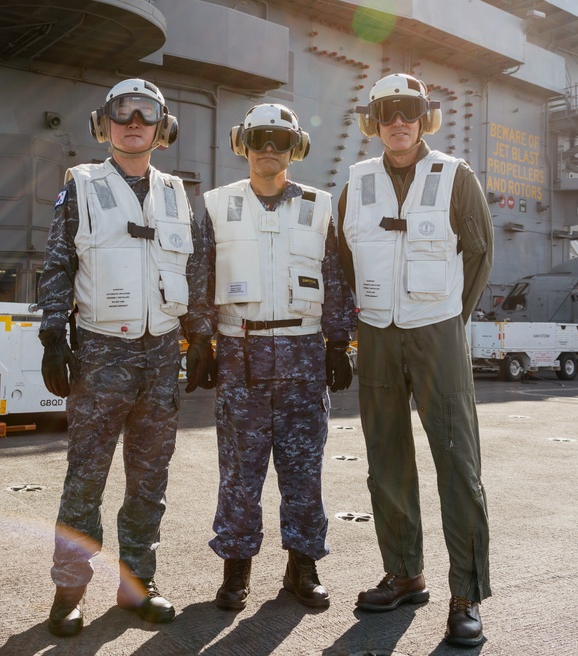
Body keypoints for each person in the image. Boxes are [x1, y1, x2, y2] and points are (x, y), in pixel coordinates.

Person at [37, 78, 214, 637]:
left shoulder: (178, 195)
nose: (132, 121)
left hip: (161, 354)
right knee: (84, 479)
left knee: (148, 482)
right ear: (104, 123)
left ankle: (139, 585)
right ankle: (68, 593)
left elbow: (194, 273)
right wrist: (51, 335)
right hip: (100, 353)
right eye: (121, 111)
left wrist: (201, 337)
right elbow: (58, 264)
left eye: (145, 112)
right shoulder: (82, 187)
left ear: (162, 128)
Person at [337, 73, 494, 647]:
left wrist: (449, 318)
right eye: (387, 112)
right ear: (373, 122)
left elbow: (478, 256)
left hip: (438, 332)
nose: (398, 121)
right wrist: (377, 308)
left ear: (424, 118)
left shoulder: (456, 176)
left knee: (457, 463)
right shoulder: (356, 183)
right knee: (386, 460)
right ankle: (405, 573)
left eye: (409, 111)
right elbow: (347, 258)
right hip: (377, 331)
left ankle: (467, 593)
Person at [201, 103, 356, 611]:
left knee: (303, 469)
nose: (270, 148)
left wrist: (339, 343)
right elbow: (198, 278)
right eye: (261, 138)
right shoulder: (215, 205)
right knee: (239, 472)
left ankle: (302, 568)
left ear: (297, 147)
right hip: (239, 352)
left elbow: (334, 280)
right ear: (242, 143)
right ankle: (236, 570)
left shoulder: (320, 206)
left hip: (304, 353)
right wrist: (200, 340)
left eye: (281, 140)